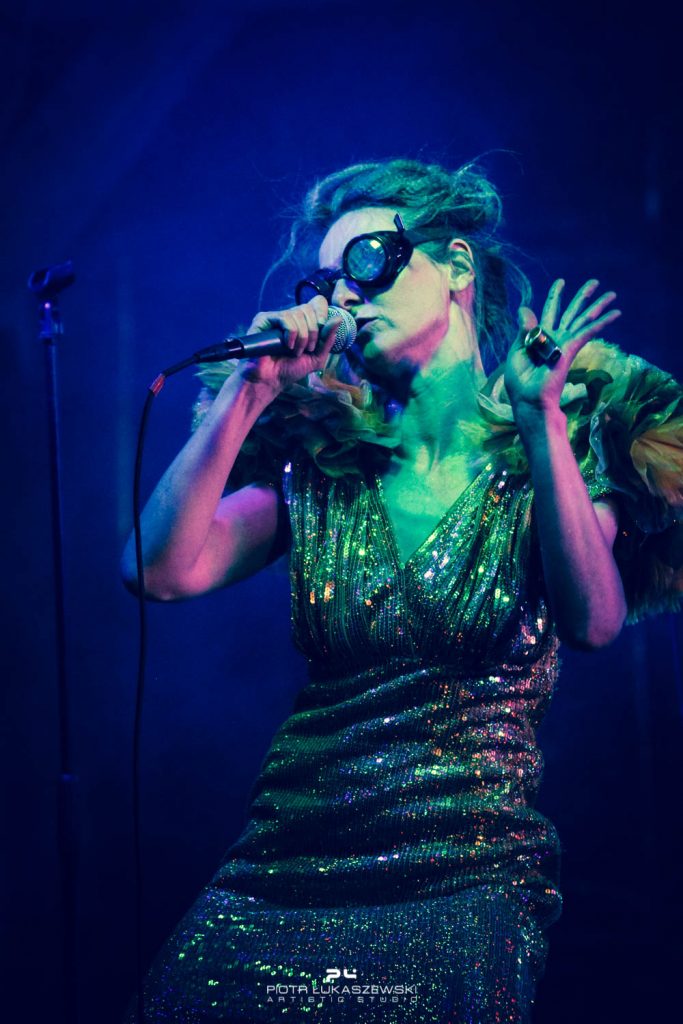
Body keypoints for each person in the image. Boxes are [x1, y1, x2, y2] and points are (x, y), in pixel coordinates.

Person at [121, 158, 683, 1023]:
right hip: (280, 870)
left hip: (459, 880)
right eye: (329, 281)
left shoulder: (557, 435)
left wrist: (540, 421)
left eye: (368, 261)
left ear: (454, 265)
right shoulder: (322, 461)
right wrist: (250, 388)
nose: (346, 295)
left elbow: (595, 622)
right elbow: (158, 570)